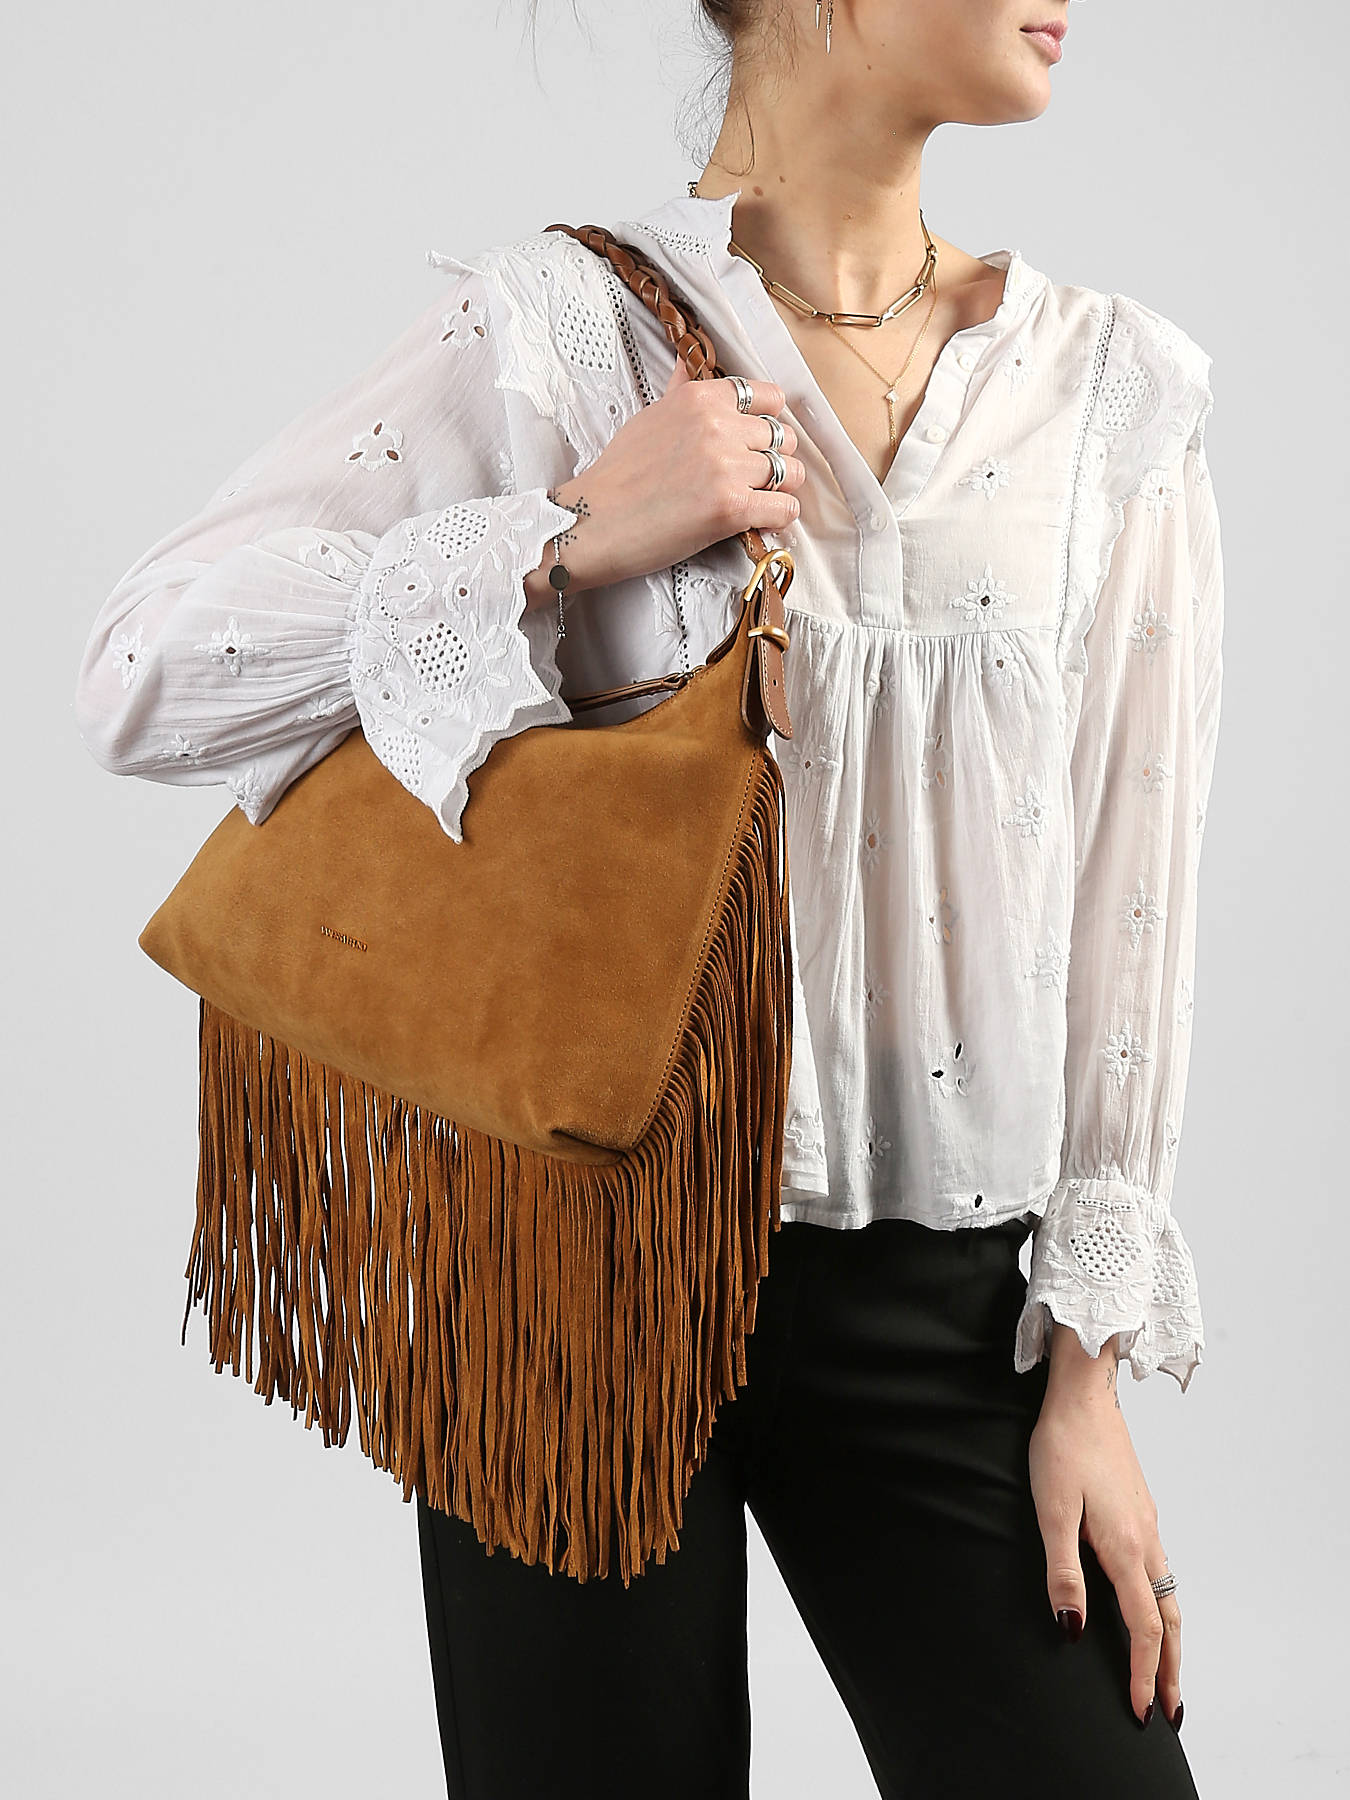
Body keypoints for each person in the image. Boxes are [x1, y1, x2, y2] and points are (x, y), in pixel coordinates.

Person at [72, 2, 1222, 1793]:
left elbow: (1130, 890)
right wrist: (562, 533)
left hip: (945, 1303)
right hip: (568, 1269)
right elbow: (143, 675)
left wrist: (1085, 1377)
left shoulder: (1108, 385)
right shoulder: (556, 327)